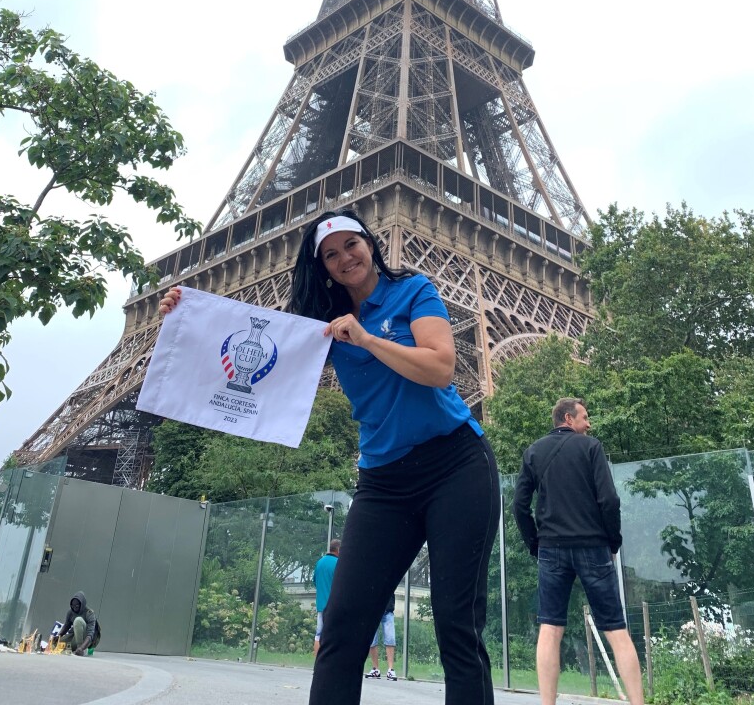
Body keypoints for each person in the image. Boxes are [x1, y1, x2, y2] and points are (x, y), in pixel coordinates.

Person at [158, 209, 501, 705]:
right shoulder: (321, 324)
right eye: (331, 254)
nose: (345, 258)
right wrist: (183, 314)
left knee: (457, 623)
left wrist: (365, 337)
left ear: (370, 243)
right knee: (342, 626)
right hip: (383, 481)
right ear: (322, 267)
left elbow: (442, 368)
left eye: (351, 245)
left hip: (455, 464)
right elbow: (251, 343)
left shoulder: (413, 291)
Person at [513, 398, 644, 705]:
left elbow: (519, 506)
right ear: (569, 419)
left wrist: (535, 543)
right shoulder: (591, 447)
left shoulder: (534, 451)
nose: (589, 424)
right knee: (616, 629)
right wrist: (612, 542)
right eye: (585, 417)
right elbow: (609, 500)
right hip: (592, 546)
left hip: (551, 548)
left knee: (550, 628)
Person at [52, 590, 101, 656]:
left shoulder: (89, 613)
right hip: (75, 636)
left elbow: (90, 635)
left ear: (82, 604)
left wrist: (81, 648)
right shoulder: (70, 612)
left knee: (78, 620)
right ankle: (74, 648)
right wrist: (59, 636)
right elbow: (66, 626)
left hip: (86, 640)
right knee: (56, 644)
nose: (74, 608)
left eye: (77, 606)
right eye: (72, 606)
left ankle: (81, 649)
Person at [314, 538, 340, 656]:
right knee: (334, 635)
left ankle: (317, 662)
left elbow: (315, 581)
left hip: (321, 605)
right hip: (334, 605)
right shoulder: (338, 564)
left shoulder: (319, 562)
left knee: (318, 635)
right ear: (338, 550)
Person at [364, 594, 396, 681]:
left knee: (390, 638)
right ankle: (375, 669)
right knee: (372, 639)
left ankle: (391, 669)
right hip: (373, 609)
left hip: (388, 610)